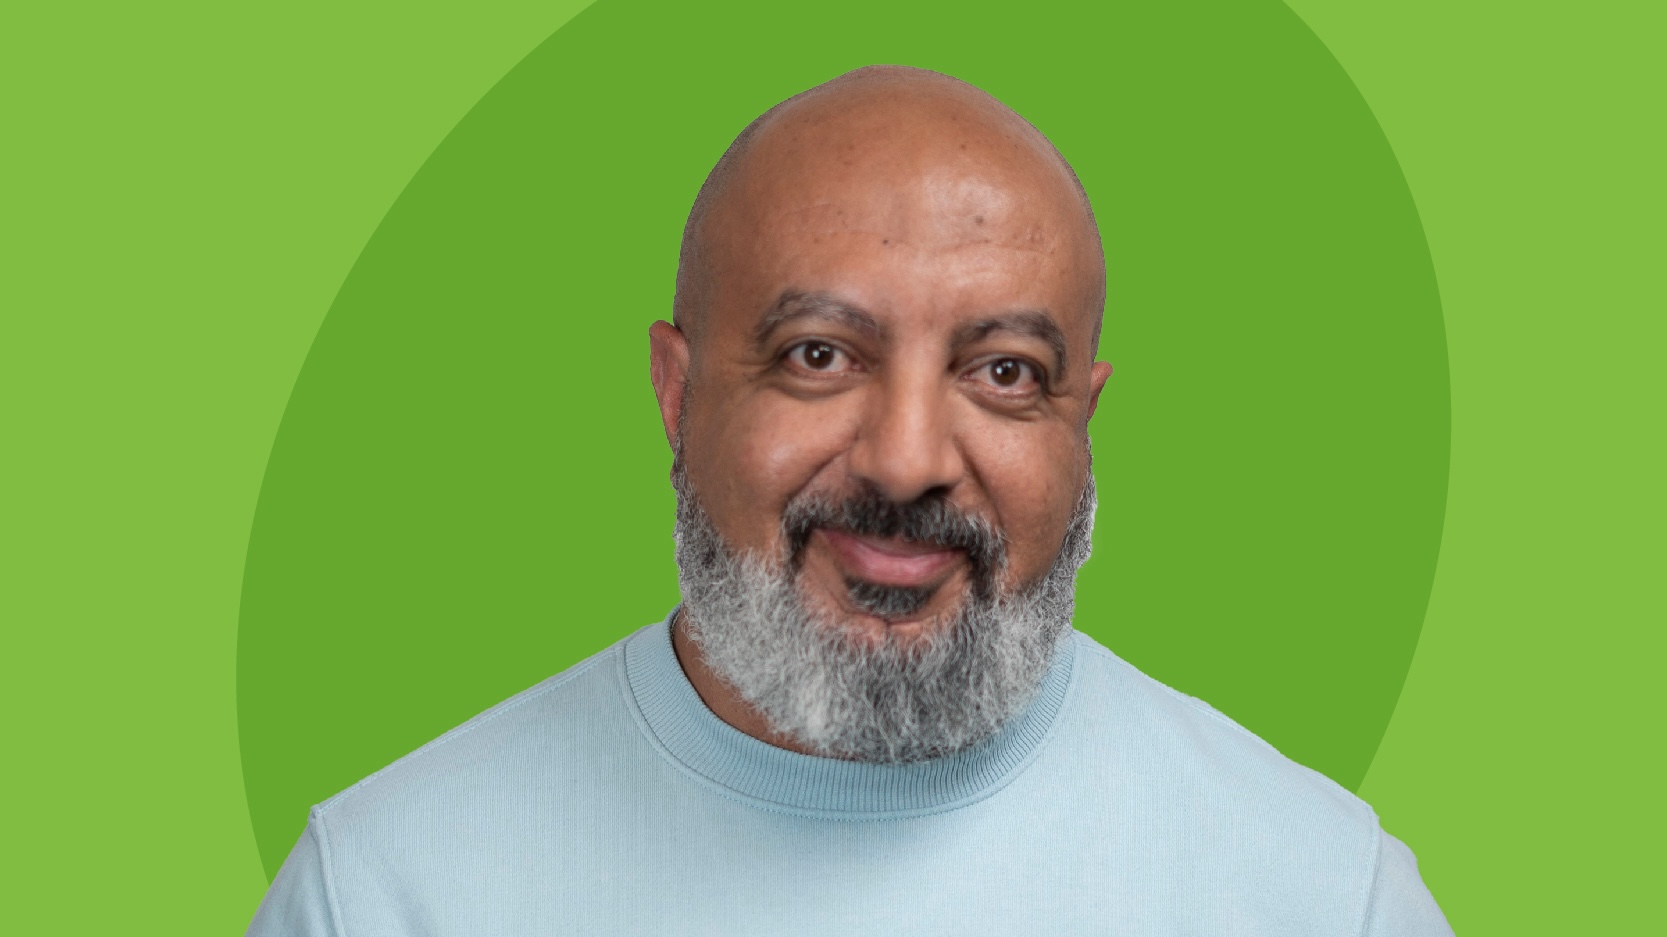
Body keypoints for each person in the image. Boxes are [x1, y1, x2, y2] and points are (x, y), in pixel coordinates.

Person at [248, 65, 1451, 935]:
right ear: (677, 394)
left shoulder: (1313, 894)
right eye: (818, 354)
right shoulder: (390, 892)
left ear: (1081, 421)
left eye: (1001, 373)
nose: (906, 458)